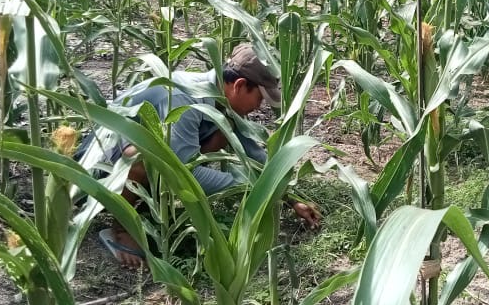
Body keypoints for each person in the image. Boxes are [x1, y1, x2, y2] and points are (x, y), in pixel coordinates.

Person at [80, 43, 321, 268]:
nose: (259, 107)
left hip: (154, 166)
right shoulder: (183, 99)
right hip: (103, 173)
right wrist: (248, 188)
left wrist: (289, 198)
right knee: (142, 156)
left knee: (223, 130)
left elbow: (256, 156)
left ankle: (145, 206)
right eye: (259, 98)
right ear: (238, 85)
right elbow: (186, 173)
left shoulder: (223, 102)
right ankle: (121, 228)